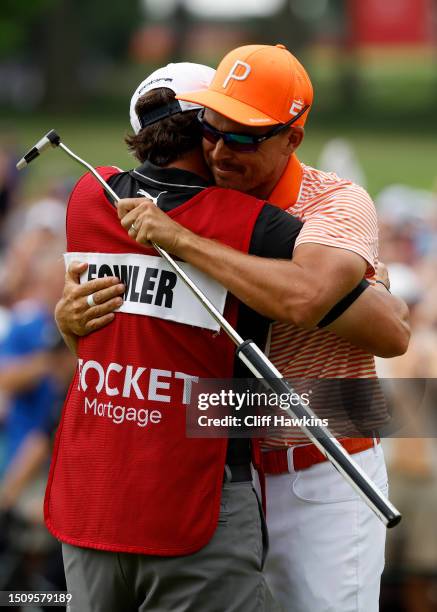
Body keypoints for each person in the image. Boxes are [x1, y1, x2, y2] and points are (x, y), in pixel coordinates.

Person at [84, 45, 408, 612]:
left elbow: (345, 314)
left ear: (292, 140)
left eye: (244, 137)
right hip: (222, 477)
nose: (219, 150)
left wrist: (185, 242)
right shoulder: (193, 194)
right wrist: (73, 320)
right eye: (212, 127)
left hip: (321, 472)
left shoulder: (335, 200)